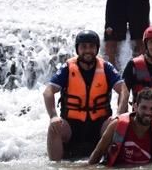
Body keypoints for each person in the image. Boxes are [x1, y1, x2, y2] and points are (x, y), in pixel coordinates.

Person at [43, 30, 124, 161]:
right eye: (83, 47)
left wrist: (119, 114)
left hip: (99, 126)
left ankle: (111, 164)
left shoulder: (106, 67)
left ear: (97, 48)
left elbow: (123, 89)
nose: (88, 50)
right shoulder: (67, 68)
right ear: (77, 49)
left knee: (117, 124)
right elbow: (48, 91)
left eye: (92, 47)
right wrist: (53, 116)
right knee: (55, 126)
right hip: (72, 127)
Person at [88, 88, 152, 166]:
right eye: (143, 107)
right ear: (135, 107)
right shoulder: (117, 125)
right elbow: (97, 154)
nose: (148, 113)